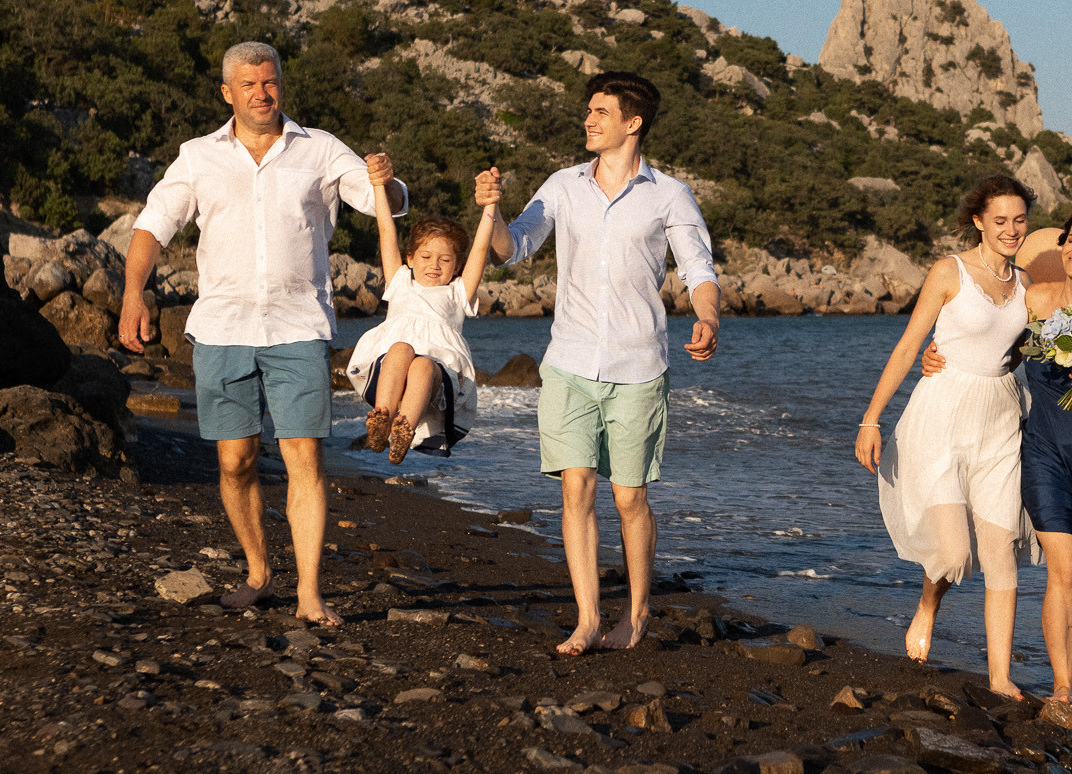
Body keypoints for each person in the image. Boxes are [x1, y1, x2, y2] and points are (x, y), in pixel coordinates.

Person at [118, 40, 406, 627]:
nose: (261, 93)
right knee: (235, 461)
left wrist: (389, 182)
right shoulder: (198, 156)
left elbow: (382, 200)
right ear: (227, 93)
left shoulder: (319, 148)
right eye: (248, 84)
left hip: (299, 325)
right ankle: (258, 572)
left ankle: (309, 592)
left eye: (269, 82)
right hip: (222, 327)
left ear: (281, 85)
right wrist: (132, 293)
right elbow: (153, 225)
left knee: (304, 457)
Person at [473, 71, 721, 656]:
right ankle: (587, 619)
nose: (588, 120)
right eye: (589, 110)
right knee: (576, 488)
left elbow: (698, 268)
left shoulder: (670, 194)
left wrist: (708, 317)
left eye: (601, 112)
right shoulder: (563, 185)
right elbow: (514, 248)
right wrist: (492, 210)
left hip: (640, 367)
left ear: (633, 123)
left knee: (629, 498)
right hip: (568, 362)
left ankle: (636, 616)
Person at [924, 201, 1072, 699]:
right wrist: (936, 355)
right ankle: (1062, 686)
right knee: (1065, 564)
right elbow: (988, 341)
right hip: (1043, 453)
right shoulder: (1034, 300)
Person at [854, 175, 1038, 699]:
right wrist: (871, 418)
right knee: (956, 553)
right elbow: (909, 346)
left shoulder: (1027, 283)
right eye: (999, 220)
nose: (1011, 229)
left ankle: (1000, 677)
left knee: (999, 547)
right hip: (942, 413)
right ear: (978, 221)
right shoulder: (948, 271)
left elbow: (1022, 349)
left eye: (1019, 219)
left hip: (1001, 417)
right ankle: (928, 604)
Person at [345, 179, 497, 463]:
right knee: (402, 349)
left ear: (458, 265)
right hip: (393, 366)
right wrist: (378, 186)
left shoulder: (458, 291)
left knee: (424, 364)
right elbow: (386, 231)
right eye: (426, 256)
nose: (434, 265)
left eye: (445, 260)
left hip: (438, 372)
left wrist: (491, 204)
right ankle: (382, 418)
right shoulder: (400, 280)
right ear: (411, 258)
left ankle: (405, 429)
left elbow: (479, 250)